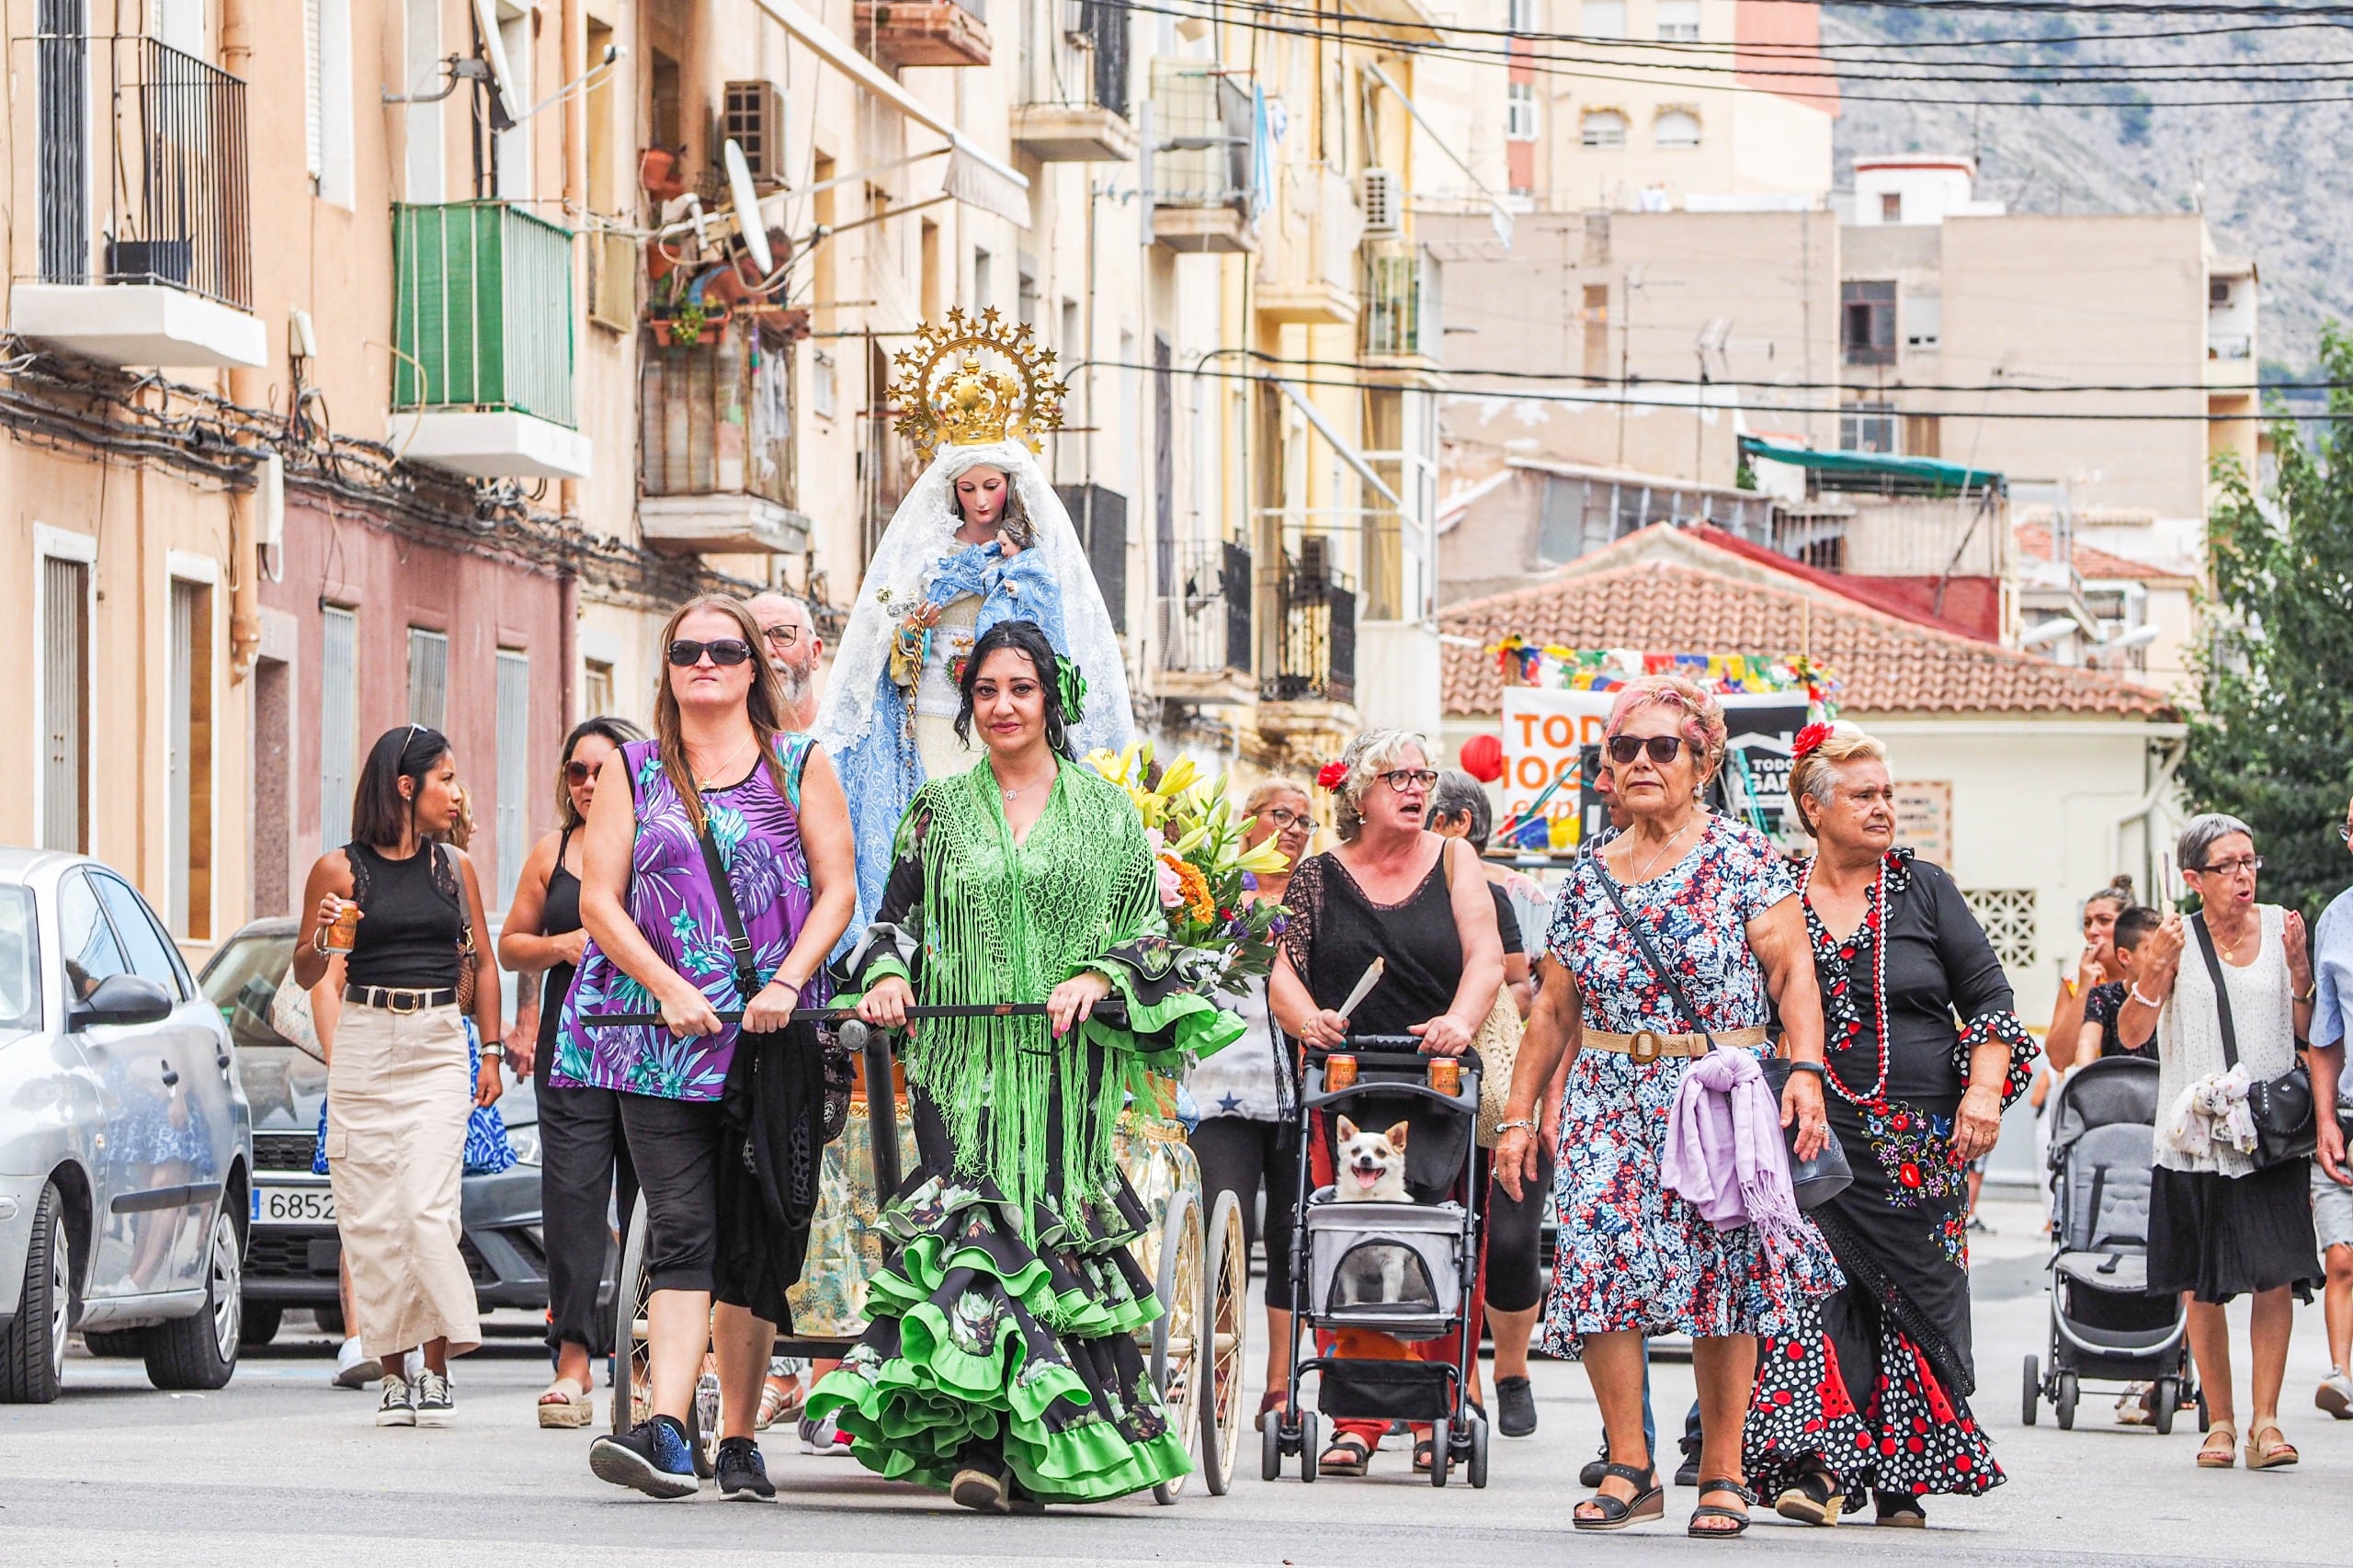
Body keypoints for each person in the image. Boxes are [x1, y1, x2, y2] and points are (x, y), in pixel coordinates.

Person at [809, 619, 1242, 1513]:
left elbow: (1148, 937)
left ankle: (1013, 1445)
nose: (1002, 705)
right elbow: (891, 923)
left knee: (1042, 1237)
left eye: (1019, 687)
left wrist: (1097, 973)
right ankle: (984, 1444)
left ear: (1050, 698)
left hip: (1064, 1069)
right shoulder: (937, 811)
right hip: (957, 1062)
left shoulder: (1109, 815)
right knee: (976, 1222)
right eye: (984, 691)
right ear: (969, 705)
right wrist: (887, 978)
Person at [1495, 675, 1838, 1538]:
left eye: (1662, 748)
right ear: (1607, 767)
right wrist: (1516, 1113)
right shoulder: (1586, 877)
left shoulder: (1746, 861)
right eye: (1624, 749)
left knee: (1725, 1282)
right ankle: (1630, 1465)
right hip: (1609, 1097)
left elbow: (1794, 975)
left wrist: (1803, 1072)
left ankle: (1722, 1471)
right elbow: (1553, 1009)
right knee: (1603, 1274)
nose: (1641, 763)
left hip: (1714, 1091)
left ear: (1704, 760)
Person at [561, 596, 857, 1501]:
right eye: (687, 649)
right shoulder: (634, 770)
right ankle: (666, 1425)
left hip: (771, 1039)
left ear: (750, 669)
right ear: (668, 668)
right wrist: (666, 984)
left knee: (754, 1237)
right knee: (683, 1226)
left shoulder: (800, 764)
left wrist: (782, 984)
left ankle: (737, 1436)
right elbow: (598, 901)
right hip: (657, 1041)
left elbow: (838, 888)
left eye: (724, 649)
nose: (705, 661)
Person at [1740, 722, 2037, 1528]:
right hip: (1812, 1132)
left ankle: (1904, 1474)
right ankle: (1822, 1468)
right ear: (1814, 807)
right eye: (1864, 796)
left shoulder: (1925, 888)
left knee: (1914, 1295)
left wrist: (1981, 1094)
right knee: (1816, 1290)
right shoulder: (1775, 898)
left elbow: (1991, 1002)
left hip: (1919, 1142)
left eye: (1888, 795)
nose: (1883, 810)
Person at [814, 327, 1133, 939]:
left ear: (1010, 488)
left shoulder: (1030, 560)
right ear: (951, 492)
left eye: (992, 487)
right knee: (944, 828)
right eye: (969, 489)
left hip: (1003, 702)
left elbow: (1049, 640)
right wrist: (913, 631)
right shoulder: (927, 557)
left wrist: (1009, 587)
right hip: (939, 710)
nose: (982, 501)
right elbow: (894, 653)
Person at [1268, 730, 1506, 1478]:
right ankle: (1357, 1417)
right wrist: (1307, 1020)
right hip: (1345, 1083)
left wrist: (1460, 1022)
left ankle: (1437, 1404)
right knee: (1348, 1242)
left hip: (1436, 1079)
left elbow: (1487, 958)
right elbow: (1281, 973)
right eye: (1397, 776)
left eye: (1423, 776)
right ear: (1360, 793)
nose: (1414, 789)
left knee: (1444, 1240)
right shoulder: (1316, 877)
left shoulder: (1455, 859)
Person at [291, 725, 504, 1427]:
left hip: (439, 1041)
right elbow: (305, 971)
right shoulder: (338, 870)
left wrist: (493, 1051)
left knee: (426, 1208)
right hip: (364, 1040)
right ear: (405, 787)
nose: (458, 792)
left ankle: (437, 1369)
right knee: (374, 1217)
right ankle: (392, 1375)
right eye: (445, 777)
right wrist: (322, 936)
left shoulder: (454, 868)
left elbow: (484, 964)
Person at [2116, 812, 2342, 1471]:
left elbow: (2309, 1030)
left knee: (2274, 1276)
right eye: (2227, 866)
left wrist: (2300, 974)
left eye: (2250, 862)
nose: (2243, 875)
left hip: (2267, 1136)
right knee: (2203, 1285)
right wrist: (2152, 976)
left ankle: (2266, 1423)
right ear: (2194, 878)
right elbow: (2131, 1035)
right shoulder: (2173, 939)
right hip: (2192, 1137)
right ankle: (2220, 1422)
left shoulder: (2281, 928)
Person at [498, 715, 646, 1427]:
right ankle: (575, 1359)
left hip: (651, 1046)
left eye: (602, 770)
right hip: (573, 1050)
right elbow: (509, 945)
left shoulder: (659, 842)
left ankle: (647, 1358)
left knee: (649, 1202)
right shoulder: (551, 850)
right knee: (573, 1202)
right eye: (576, 772)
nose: (587, 784)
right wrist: (558, 945)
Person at [1424, 768, 1556, 1440]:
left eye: (1425, 811)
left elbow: (1549, 1006)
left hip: (1508, 1085)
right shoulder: (1391, 882)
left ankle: (1511, 1369)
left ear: (1456, 825)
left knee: (1508, 1244)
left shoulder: (1515, 895)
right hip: (1426, 1085)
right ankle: (1459, 1387)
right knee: (1441, 1243)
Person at [1184, 777, 1314, 1432]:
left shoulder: (1316, 898)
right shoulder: (1212, 895)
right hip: (1220, 1094)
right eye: (1280, 815)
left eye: (1304, 821)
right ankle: (1216, 1367)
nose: (1293, 829)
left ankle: (1280, 1387)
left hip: (1295, 1097)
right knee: (1220, 1235)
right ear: (1247, 823)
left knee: (1292, 1241)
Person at [2300, 789, 2353, 1420]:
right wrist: (2324, 1121)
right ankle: (2342, 1375)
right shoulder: (2336, 919)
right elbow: (2325, 1038)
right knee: (2340, 1254)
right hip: (2346, 1113)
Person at [2044, 878, 2134, 1074]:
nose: (2093, 931)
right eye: (2087, 923)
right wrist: (2085, 989)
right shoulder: (2075, 982)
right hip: (2095, 1091)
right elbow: (2059, 1059)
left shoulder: (2147, 976)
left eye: (2104, 921)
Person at [747, 590, 824, 733]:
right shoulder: (725, 742)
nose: (765, 649)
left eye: (782, 635)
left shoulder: (851, 735)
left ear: (815, 653)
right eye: (753, 637)